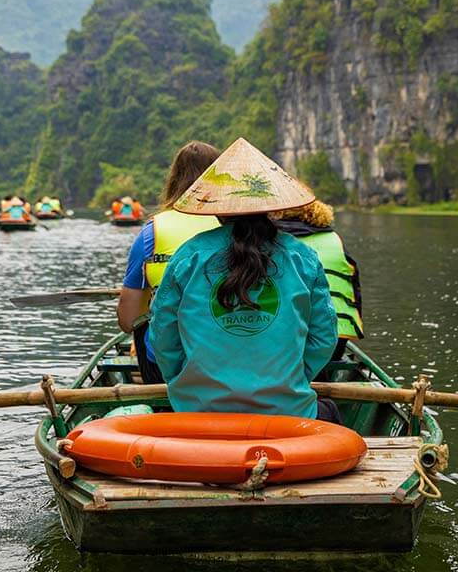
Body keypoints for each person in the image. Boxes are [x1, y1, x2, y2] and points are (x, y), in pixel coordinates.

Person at [148, 138, 340, 422]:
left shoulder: (189, 256)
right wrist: (293, 378)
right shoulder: (303, 258)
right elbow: (323, 338)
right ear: (271, 203)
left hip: (198, 412)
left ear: (216, 205)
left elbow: (163, 336)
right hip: (286, 413)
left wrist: (185, 382)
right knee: (331, 414)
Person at [118, 141, 221, 383]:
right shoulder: (240, 226)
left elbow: (127, 319)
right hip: (232, 355)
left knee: (142, 322)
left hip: (166, 365)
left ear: (173, 179)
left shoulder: (152, 233)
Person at [273, 199, 364, 361]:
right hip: (338, 338)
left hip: (291, 342)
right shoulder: (335, 239)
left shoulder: (276, 241)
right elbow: (355, 291)